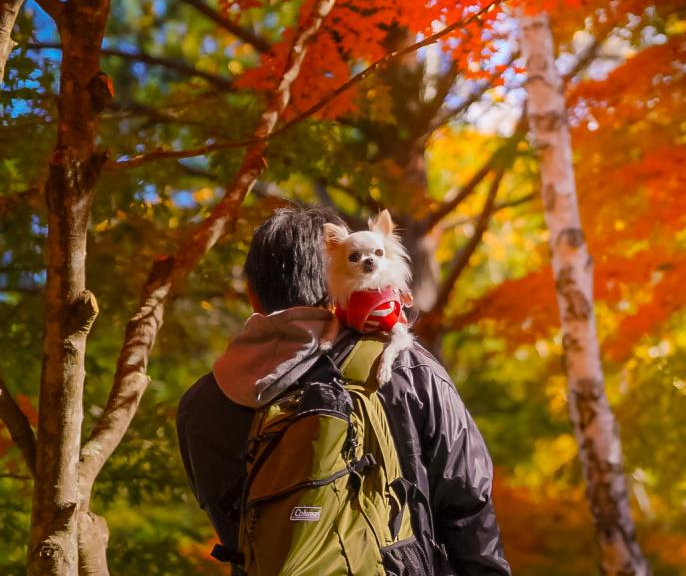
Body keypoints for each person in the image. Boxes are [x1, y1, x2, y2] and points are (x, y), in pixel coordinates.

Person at [176, 204, 511, 575]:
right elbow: (468, 507)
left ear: (253, 294)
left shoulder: (200, 405)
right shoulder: (404, 368)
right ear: (335, 280)